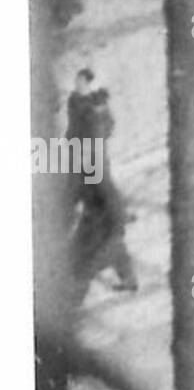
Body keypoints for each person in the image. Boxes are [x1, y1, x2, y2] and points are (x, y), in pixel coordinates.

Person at [66, 74, 138, 301]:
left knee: (85, 258)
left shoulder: (97, 108)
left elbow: (106, 128)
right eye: (77, 82)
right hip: (82, 156)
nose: (78, 86)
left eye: (82, 82)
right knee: (110, 241)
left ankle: (74, 300)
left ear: (90, 84)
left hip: (92, 158)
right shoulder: (75, 101)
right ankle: (128, 277)